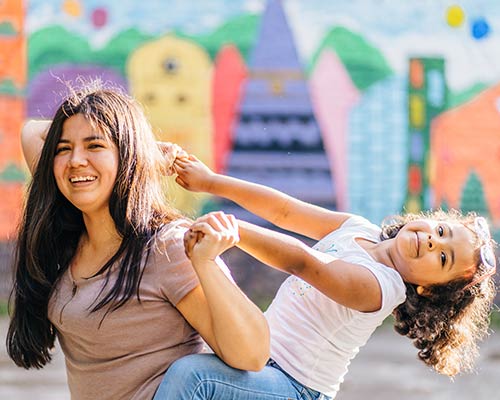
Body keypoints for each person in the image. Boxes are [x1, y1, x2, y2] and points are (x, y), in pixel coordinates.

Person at [153, 154, 497, 400]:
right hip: (259, 359)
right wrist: (211, 181)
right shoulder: (360, 229)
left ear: (427, 290)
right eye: (441, 230)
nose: (433, 241)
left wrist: (230, 229)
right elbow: (284, 210)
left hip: (294, 387)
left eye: (442, 258)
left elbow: (303, 263)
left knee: (193, 378)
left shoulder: (379, 288)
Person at [6, 82, 269, 400]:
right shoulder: (70, 224)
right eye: (64, 148)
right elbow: (31, 131)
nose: (76, 160)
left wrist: (206, 263)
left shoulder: (165, 249)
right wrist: (137, 147)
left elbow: (251, 356)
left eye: (95, 146)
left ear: (128, 157)